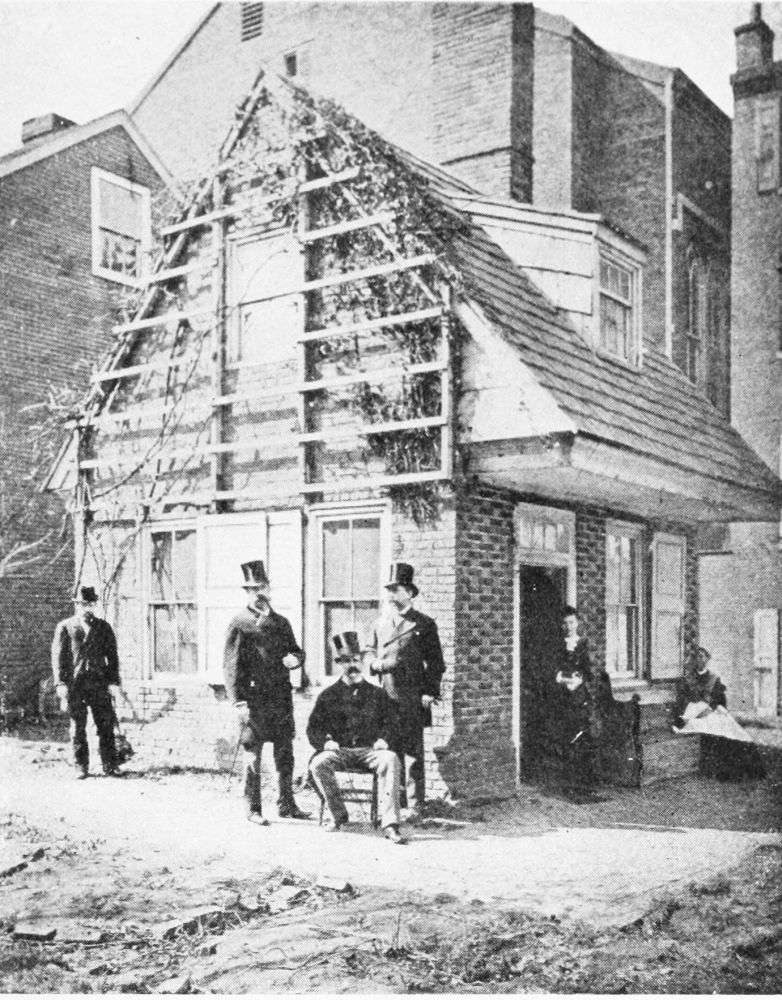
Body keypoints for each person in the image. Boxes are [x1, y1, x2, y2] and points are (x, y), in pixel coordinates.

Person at [223, 560, 310, 824]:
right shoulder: (239, 623)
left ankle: (286, 804)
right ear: (247, 592)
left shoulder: (281, 622)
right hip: (254, 700)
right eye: (252, 589)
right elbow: (231, 667)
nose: (258, 593)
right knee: (253, 754)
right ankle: (253, 809)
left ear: (269, 589)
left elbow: (296, 650)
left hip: (280, 698)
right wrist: (238, 702)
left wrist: (296, 660)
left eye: (261, 587)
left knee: (285, 753)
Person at [307, 631, 406, 844]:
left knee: (390, 759)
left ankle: (390, 823)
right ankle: (338, 815)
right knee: (318, 764)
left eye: (355, 660)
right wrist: (326, 742)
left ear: (361, 661)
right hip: (340, 752)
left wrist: (384, 739)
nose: (351, 665)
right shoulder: (328, 695)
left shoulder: (378, 694)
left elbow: (393, 723)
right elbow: (313, 728)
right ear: (339, 664)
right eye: (346, 661)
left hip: (370, 751)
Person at [365, 563, 444, 820]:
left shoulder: (424, 624)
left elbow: (436, 663)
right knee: (390, 750)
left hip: (412, 695)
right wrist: (373, 664)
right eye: (388, 590)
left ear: (409, 592)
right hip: (386, 696)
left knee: (413, 753)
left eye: (395, 589)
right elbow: (369, 651)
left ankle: (415, 805)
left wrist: (430, 691)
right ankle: (393, 804)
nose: (390, 595)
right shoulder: (380, 623)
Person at [51, 586, 122, 779]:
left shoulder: (103, 627)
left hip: (99, 684)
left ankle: (110, 765)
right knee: (77, 727)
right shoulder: (65, 627)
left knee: (105, 724)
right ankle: (81, 766)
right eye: (83, 604)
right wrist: (60, 683)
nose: (87, 608)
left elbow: (112, 657)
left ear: (95, 605)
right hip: (76, 685)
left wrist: (113, 682)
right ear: (77, 605)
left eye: (90, 604)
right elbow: (58, 658)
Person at [554, 606, 600, 802]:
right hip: (563, 696)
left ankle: (586, 785)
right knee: (567, 738)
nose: (568, 626)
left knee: (583, 737)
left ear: (577, 623)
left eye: (571, 622)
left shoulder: (584, 644)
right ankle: (569, 785)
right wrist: (561, 678)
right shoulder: (557, 645)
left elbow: (590, 671)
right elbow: (553, 668)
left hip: (580, 697)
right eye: (565, 623)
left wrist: (579, 679)